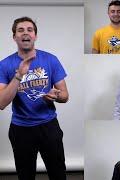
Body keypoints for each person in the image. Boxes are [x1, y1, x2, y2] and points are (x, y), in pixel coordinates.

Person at [0, 17, 69, 179]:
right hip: (21, 129)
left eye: (30, 30)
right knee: (25, 176)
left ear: (35, 36)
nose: (25, 33)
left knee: (58, 174)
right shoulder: (5, 65)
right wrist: (18, 76)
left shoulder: (50, 59)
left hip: (49, 126)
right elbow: (1, 103)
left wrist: (56, 96)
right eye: (21, 30)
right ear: (14, 36)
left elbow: (65, 96)